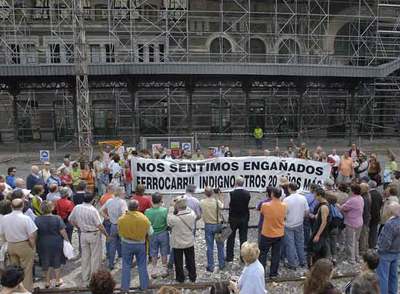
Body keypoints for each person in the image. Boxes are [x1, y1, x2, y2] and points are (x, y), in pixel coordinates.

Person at [68, 193, 109, 285]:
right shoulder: (93, 210)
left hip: (83, 234)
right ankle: (94, 278)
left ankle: (85, 277)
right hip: (93, 234)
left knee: (85, 256)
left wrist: (78, 226)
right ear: (93, 200)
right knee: (95, 257)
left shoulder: (77, 207)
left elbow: (70, 219)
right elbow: (99, 225)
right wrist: (106, 235)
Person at [0, 199, 37, 291]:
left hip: (11, 245)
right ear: (23, 206)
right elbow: (32, 235)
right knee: (27, 270)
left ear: (11, 207)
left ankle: (15, 290)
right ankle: (27, 290)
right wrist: (32, 247)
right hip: (23, 244)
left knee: (14, 271)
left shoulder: (4, 218)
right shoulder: (25, 218)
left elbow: (2, 233)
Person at [118, 199, 152, 291]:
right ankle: (144, 287)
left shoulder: (121, 219)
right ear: (138, 208)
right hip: (140, 244)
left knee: (126, 265)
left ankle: (125, 288)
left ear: (128, 207)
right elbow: (151, 232)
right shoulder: (144, 218)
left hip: (126, 244)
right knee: (142, 265)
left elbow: (119, 232)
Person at [35, 201, 69, 288]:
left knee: (45, 261)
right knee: (57, 260)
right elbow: (63, 231)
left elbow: (35, 233)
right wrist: (67, 240)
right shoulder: (57, 218)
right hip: (56, 242)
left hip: (42, 242)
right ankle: (57, 280)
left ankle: (47, 281)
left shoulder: (37, 219)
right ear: (52, 208)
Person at [258, 187, 286, 278]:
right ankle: (273, 273)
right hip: (279, 233)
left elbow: (262, 213)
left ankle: (261, 272)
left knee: (263, 254)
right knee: (276, 254)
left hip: (267, 233)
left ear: (272, 194)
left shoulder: (265, 205)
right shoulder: (284, 205)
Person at [167, 197, 197, 283]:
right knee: (191, 259)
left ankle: (180, 278)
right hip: (189, 241)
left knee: (178, 261)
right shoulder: (192, 214)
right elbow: (189, 209)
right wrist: (182, 202)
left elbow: (168, 220)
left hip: (178, 242)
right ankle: (193, 276)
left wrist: (171, 207)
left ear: (177, 207)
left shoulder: (174, 218)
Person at [100, 186, 127, 270]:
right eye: (123, 192)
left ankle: (111, 263)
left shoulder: (109, 201)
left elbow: (100, 210)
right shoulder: (122, 202)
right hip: (120, 225)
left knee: (112, 245)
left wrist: (107, 217)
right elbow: (124, 214)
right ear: (120, 193)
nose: (125, 193)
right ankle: (123, 261)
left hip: (112, 224)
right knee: (123, 243)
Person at [282, 183, 309, 269]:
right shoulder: (303, 198)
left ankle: (292, 263)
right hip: (299, 223)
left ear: (289, 189)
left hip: (288, 224)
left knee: (290, 244)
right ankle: (302, 261)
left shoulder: (286, 200)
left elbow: (284, 214)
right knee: (300, 243)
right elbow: (307, 212)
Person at [376, 202, 400, 294]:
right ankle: (393, 292)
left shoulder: (391, 224)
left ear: (390, 212)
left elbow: (385, 242)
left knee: (383, 277)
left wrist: (379, 250)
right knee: (393, 276)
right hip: (397, 251)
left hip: (386, 253)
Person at [145, 192, 170, 278]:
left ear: (152, 201)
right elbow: (167, 222)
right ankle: (164, 268)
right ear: (161, 201)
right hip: (163, 232)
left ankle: (154, 269)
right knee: (164, 251)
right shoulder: (164, 210)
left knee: (153, 251)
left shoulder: (147, 211)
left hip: (152, 233)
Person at [200, 187, 225, 272]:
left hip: (208, 225)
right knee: (220, 246)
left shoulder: (202, 202)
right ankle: (221, 264)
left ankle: (211, 266)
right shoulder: (217, 202)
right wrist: (220, 195)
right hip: (218, 225)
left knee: (209, 246)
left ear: (205, 193)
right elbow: (222, 206)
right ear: (213, 193)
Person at [226, 177, 250, 262]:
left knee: (230, 237)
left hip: (233, 217)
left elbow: (229, 204)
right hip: (244, 217)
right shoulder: (247, 193)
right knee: (243, 238)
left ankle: (229, 257)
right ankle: (243, 257)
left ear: (235, 183)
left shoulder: (231, 193)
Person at [339, 183, 364, 264]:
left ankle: (351, 259)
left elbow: (343, 208)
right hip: (359, 221)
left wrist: (337, 205)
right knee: (356, 241)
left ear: (353, 191)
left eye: (350, 190)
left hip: (351, 222)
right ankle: (356, 257)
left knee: (350, 242)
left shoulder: (352, 200)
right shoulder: (360, 198)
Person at [308, 187, 330, 266]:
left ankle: (316, 267)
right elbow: (318, 217)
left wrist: (317, 235)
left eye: (315, 195)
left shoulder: (324, 207)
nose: (314, 197)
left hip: (320, 233)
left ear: (320, 196)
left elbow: (324, 222)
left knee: (316, 251)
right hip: (319, 231)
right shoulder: (322, 205)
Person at [368, 180, 383, 249]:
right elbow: (381, 204)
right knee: (374, 232)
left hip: (369, 215)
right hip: (377, 215)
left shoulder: (369, 194)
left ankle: (368, 244)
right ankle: (373, 245)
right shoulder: (379, 194)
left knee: (366, 231)